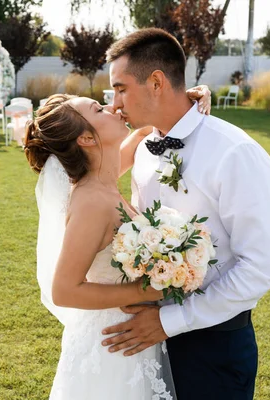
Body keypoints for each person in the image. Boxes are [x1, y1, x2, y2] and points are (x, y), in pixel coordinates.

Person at [100, 28, 270, 399]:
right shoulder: (144, 149)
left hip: (213, 350)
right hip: (146, 343)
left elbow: (259, 269)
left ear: (156, 82)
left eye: (120, 88)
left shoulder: (236, 154)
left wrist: (169, 321)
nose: (115, 103)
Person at [24, 84, 211, 399]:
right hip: (111, 344)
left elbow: (140, 136)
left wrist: (182, 101)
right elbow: (64, 290)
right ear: (85, 139)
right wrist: (148, 290)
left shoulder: (103, 177)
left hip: (130, 336)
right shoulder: (92, 201)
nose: (111, 107)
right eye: (98, 109)